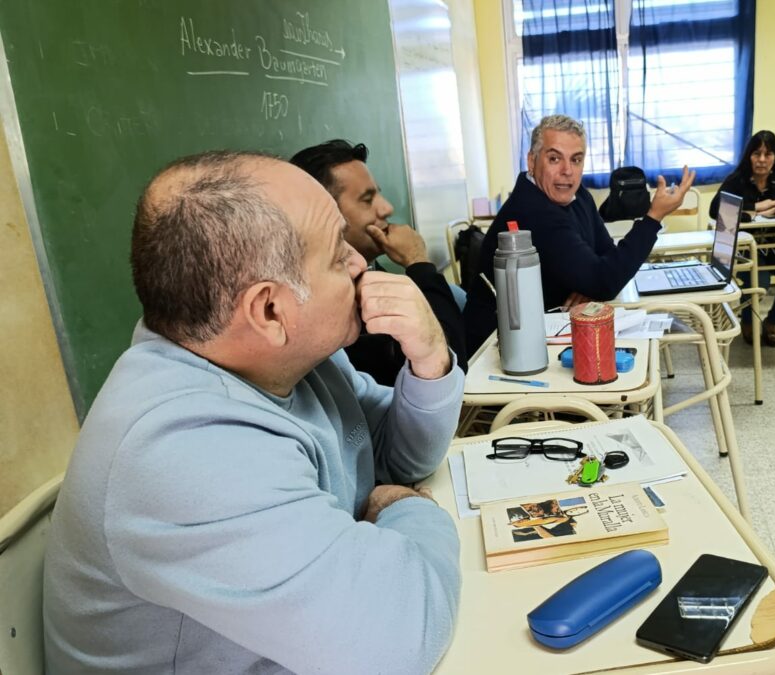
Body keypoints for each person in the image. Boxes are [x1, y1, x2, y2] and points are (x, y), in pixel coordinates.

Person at [43, 151, 465, 674]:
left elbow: (399, 456)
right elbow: (401, 638)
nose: (360, 263)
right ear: (269, 311)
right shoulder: (179, 447)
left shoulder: (292, 359)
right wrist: (414, 511)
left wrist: (429, 358)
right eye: (338, 255)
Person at [462, 114, 695, 356]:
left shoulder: (577, 195)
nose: (567, 171)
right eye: (554, 159)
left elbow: (605, 257)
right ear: (531, 161)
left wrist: (591, 283)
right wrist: (653, 218)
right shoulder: (532, 210)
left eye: (576, 160)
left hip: (543, 333)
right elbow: (605, 279)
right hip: (493, 350)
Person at [290, 139, 467, 384]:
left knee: (457, 295)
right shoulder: (333, 308)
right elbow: (449, 365)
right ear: (324, 212)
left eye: (378, 194)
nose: (386, 208)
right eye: (367, 199)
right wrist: (417, 261)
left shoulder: (368, 273)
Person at [709, 130, 775, 347]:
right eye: (756, 154)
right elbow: (715, 210)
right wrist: (756, 208)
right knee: (761, 280)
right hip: (745, 251)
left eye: (767, 154)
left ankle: (771, 322)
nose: (761, 160)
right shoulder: (737, 181)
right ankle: (748, 323)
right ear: (749, 156)